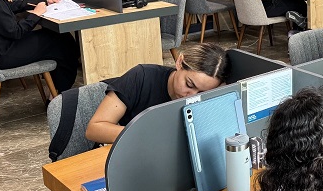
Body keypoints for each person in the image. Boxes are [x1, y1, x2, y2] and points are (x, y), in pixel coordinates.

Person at [85, 43, 230, 144]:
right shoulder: (141, 77)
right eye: (189, 84)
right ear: (180, 62)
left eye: (202, 93)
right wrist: (148, 137)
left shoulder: (206, 99)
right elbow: (94, 129)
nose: (191, 96)